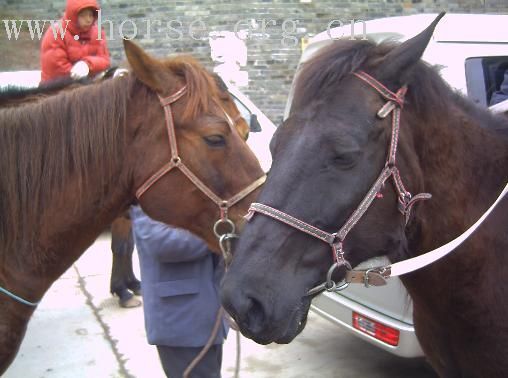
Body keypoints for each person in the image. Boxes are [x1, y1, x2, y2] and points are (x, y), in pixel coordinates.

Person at [130, 205, 228, 378]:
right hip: (180, 321)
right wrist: (217, 233)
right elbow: (162, 243)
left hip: (205, 316)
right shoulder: (146, 201)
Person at [40, 0, 110, 82]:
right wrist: (79, 74)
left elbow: (104, 61)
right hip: (56, 89)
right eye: (83, 16)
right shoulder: (56, 33)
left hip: (89, 87)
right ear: (73, 16)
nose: (88, 20)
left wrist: (87, 65)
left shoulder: (98, 33)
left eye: (90, 15)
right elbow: (56, 68)